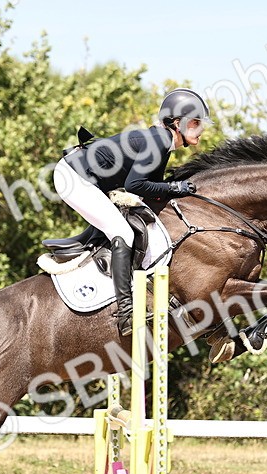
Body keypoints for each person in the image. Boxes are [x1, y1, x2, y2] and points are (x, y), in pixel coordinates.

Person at [53, 88, 210, 335]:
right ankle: (126, 312)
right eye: (195, 122)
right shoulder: (158, 141)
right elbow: (134, 185)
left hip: (83, 176)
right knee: (122, 233)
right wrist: (177, 186)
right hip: (73, 177)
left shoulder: (162, 142)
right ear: (177, 123)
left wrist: (173, 189)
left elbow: (150, 192)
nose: (201, 129)